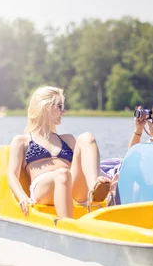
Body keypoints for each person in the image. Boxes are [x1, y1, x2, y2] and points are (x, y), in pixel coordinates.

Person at [7, 86, 111, 219]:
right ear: (46, 107)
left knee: (87, 137)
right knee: (62, 174)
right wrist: (22, 198)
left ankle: (94, 188)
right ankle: (67, 224)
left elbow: (84, 165)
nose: (63, 111)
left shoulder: (67, 139)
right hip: (43, 189)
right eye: (59, 106)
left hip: (71, 186)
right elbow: (12, 175)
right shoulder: (22, 140)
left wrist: (108, 180)